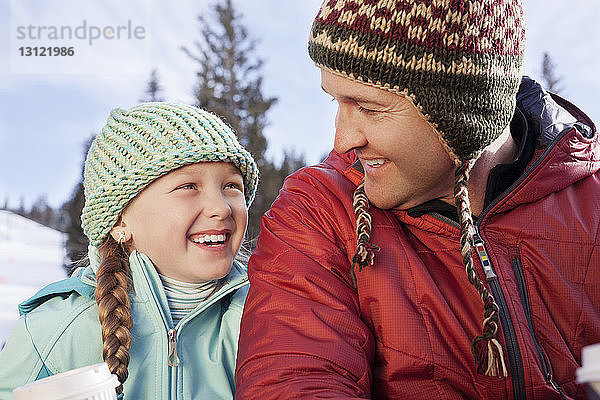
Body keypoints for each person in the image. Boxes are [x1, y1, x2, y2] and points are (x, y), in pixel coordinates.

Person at [235, 0, 600, 398]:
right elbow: (296, 380)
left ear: (465, 110)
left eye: (370, 108)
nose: (343, 141)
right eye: (335, 101)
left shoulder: (592, 201)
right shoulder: (320, 210)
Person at [0, 102, 258, 399]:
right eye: (188, 186)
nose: (220, 207)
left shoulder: (268, 317)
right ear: (120, 220)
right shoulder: (54, 331)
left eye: (231, 186)